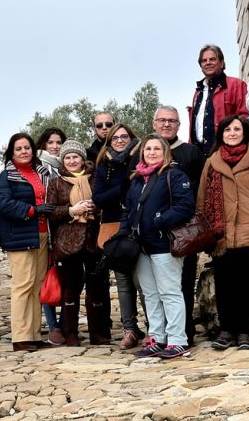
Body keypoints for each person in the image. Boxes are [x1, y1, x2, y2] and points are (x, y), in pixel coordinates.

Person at [197, 115, 249, 351]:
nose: (232, 133)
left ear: (244, 132)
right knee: (224, 282)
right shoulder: (212, 162)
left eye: (236, 129)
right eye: (227, 130)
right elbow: (202, 199)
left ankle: (244, 331)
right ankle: (226, 331)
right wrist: (206, 225)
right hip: (220, 233)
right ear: (221, 134)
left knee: (245, 281)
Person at [121, 134, 195, 359]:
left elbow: (185, 206)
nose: (151, 153)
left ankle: (177, 340)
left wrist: (159, 220)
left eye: (156, 149)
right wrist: (125, 232)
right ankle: (157, 337)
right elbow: (128, 209)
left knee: (170, 292)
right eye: (148, 149)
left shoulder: (174, 175)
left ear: (165, 153)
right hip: (141, 246)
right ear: (142, 153)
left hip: (164, 244)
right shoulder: (136, 180)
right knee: (151, 294)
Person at [47, 140, 110, 346]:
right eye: (68, 157)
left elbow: (107, 203)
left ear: (83, 159)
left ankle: (98, 333)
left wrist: (96, 207)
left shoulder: (96, 179)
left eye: (75, 156)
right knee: (70, 290)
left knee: (96, 290)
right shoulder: (56, 182)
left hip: (94, 240)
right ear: (63, 161)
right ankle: (70, 334)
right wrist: (71, 211)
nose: (72, 161)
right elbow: (50, 213)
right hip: (67, 242)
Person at [151, 106, 205, 346]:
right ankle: (159, 333)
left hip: (184, 231)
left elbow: (201, 188)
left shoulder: (191, 153)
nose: (166, 124)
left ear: (179, 125)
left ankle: (183, 331)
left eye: (171, 121)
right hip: (153, 231)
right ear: (154, 123)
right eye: (162, 120)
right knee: (154, 287)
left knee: (183, 281)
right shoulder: (145, 152)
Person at [0, 133, 53, 352]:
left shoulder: (42, 173)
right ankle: (20, 336)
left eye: (26, 147)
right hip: (19, 235)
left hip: (42, 234)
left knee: (37, 285)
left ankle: (35, 334)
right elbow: (3, 204)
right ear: (11, 153)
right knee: (23, 285)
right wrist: (32, 210)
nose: (23, 152)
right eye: (18, 149)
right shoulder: (6, 177)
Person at [92, 123, 145, 350]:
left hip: (140, 224)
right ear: (109, 142)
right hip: (114, 225)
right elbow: (99, 199)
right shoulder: (104, 165)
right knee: (123, 282)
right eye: (115, 138)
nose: (120, 140)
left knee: (144, 281)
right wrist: (123, 187)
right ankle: (130, 329)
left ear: (131, 138)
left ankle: (155, 328)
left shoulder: (141, 159)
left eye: (124, 136)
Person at [35, 127, 67, 342]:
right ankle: (53, 326)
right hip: (45, 230)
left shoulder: (67, 167)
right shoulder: (39, 168)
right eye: (50, 142)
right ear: (43, 145)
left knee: (66, 279)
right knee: (47, 278)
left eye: (58, 143)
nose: (55, 146)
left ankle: (65, 324)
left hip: (65, 230)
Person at [188, 44, 248, 157]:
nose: (208, 62)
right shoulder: (198, 92)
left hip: (228, 154)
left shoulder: (237, 85)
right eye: (204, 60)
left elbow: (246, 118)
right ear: (200, 66)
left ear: (221, 63)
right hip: (199, 156)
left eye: (212, 59)